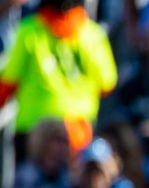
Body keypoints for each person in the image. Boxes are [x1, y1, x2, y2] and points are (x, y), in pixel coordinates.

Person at [0, 0, 117, 154]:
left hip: (33, 134)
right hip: (78, 133)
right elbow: (107, 84)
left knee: (30, 177)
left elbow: (7, 85)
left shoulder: (29, 31)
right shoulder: (92, 35)